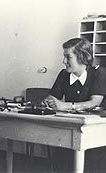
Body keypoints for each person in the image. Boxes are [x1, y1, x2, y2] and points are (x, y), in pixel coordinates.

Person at [43, 38, 106, 172]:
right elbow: (53, 97)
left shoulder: (98, 73)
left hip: (94, 135)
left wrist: (66, 106)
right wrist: (48, 101)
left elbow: (95, 102)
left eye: (68, 57)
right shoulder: (64, 74)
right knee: (61, 161)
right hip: (71, 130)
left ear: (83, 57)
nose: (64, 61)